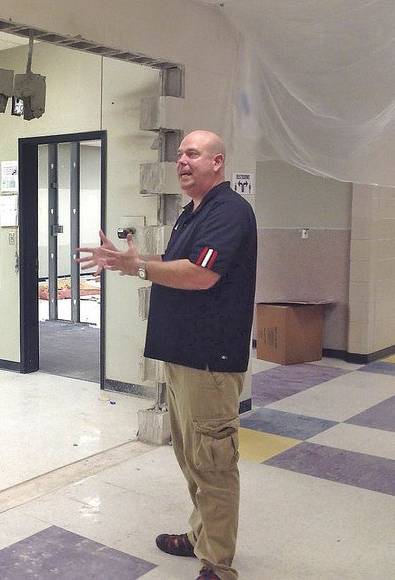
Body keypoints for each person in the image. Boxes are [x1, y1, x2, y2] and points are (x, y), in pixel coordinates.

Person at [76, 130, 257, 580]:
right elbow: (180, 259)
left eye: (192, 154)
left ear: (217, 162)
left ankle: (217, 563)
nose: (182, 161)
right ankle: (199, 536)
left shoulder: (229, 211)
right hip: (182, 356)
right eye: (179, 154)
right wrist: (133, 258)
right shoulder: (191, 212)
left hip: (209, 362)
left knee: (213, 462)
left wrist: (138, 267)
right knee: (191, 456)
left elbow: (201, 274)